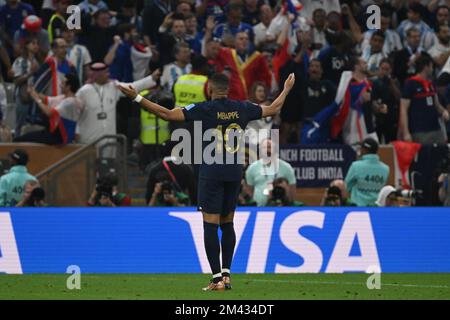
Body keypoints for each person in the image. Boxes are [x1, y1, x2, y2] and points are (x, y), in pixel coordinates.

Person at [118, 71, 296, 291]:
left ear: (210, 89)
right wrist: (287, 89)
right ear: (228, 89)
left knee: (210, 225)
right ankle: (228, 275)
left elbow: (167, 115)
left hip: (211, 170)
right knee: (228, 223)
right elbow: (273, 108)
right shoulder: (242, 107)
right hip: (234, 171)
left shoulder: (203, 108)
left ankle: (216, 279)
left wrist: (136, 97)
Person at [75, 62, 158, 145]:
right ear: (98, 75)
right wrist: (76, 131)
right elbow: (75, 114)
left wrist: (151, 78)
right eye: (105, 73)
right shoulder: (83, 92)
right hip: (89, 141)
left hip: (109, 141)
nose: (108, 74)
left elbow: (132, 87)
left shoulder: (113, 86)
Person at [15, 73, 82, 145]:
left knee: (19, 140)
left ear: (68, 87)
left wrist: (36, 98)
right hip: (54, 133)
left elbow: (49, 112)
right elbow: (46, 99)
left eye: (62, 83)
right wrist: (33, 91)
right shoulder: (64, 97)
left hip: (60, 137)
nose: (60, 85)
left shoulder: (71, 102)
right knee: (21, 138)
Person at [399, 54, 449, 144]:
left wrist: (444, 112)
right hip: (419, 130)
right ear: (426, 67)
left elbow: (436, 104)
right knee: (425, 156)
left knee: (440, 154)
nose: (433, 69)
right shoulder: (410, 84)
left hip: (436, 129)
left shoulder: (431, 84)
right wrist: (406, 132)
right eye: (431, 66)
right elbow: (403, 109)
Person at [245, 138, 297, 206]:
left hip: (281, 208)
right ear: (260, 150)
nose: (267, 150)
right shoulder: (252, 168)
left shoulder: (287, 167)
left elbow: (292, 192)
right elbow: (249, 192)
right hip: (258, 209)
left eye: (269, 147)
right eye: (264, 147)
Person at [344, 138, 390, 206]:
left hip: (358, 209)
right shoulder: (386, 169)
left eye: (361, 148)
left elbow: (346, 187)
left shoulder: (356, 166)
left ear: (365, 150)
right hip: (377, 209)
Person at [11, 35, 39, 136]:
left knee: (30, 125)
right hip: (22, 97)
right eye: (33, 43)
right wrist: (30, 73)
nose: (36, 46)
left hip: (33, 96)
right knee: (20, 124)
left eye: (37, 44)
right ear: (27, 46)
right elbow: (16, 81)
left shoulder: (36, 61)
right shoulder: (19, 61)